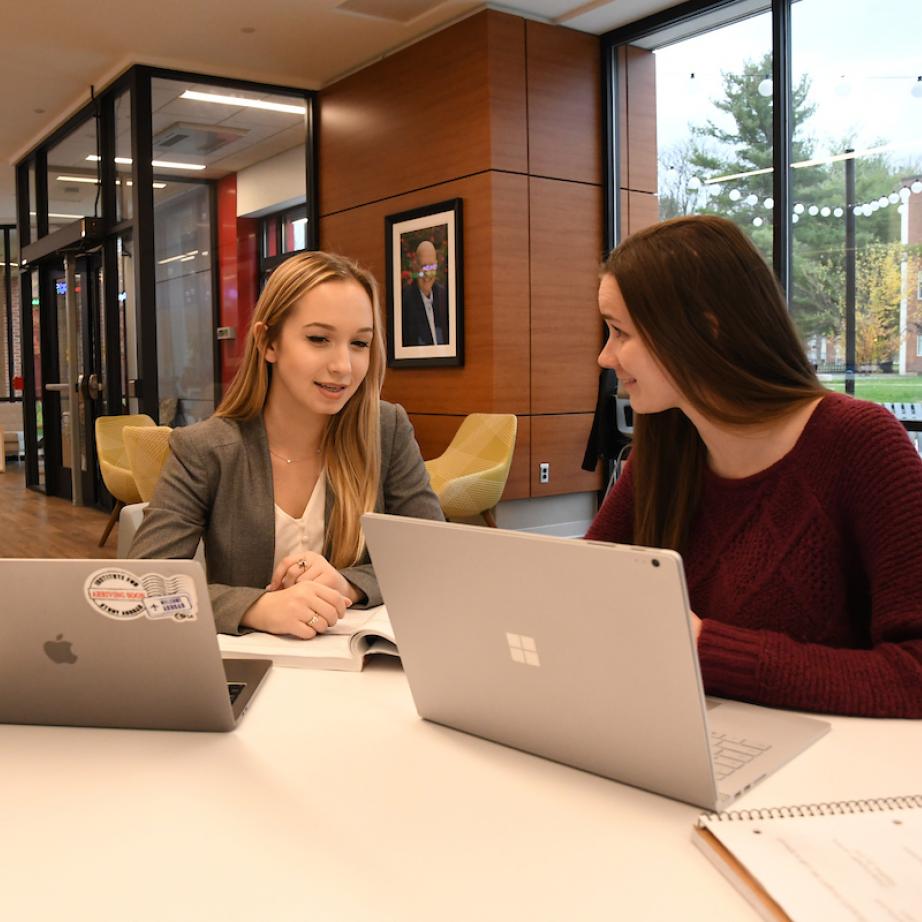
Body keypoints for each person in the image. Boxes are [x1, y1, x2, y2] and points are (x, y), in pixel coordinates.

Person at [585, 214, 922, 719]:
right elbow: (589, 590)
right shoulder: (666, 444)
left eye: (619, 333)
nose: (605, 357)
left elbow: (913, 672)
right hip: (692, 742)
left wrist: (705, 648)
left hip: (832, 775)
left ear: (705, 329)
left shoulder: (860, 443)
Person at [130, 251, 443, 637]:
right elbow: (144, 587)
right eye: (318, 339)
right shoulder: (205, 449)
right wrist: (257, 607)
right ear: (268, 343)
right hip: (248, 673)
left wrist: (348, 584)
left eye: (359, 344)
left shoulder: (386, 429)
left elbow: (433, 559)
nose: (343, 366)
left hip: (362, 673)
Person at [401, 239, 449, 346]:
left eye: (431, 266)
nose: (428, 273)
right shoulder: (404, 302)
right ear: (416, 267)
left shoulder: (445, 297)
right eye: (424, 267)